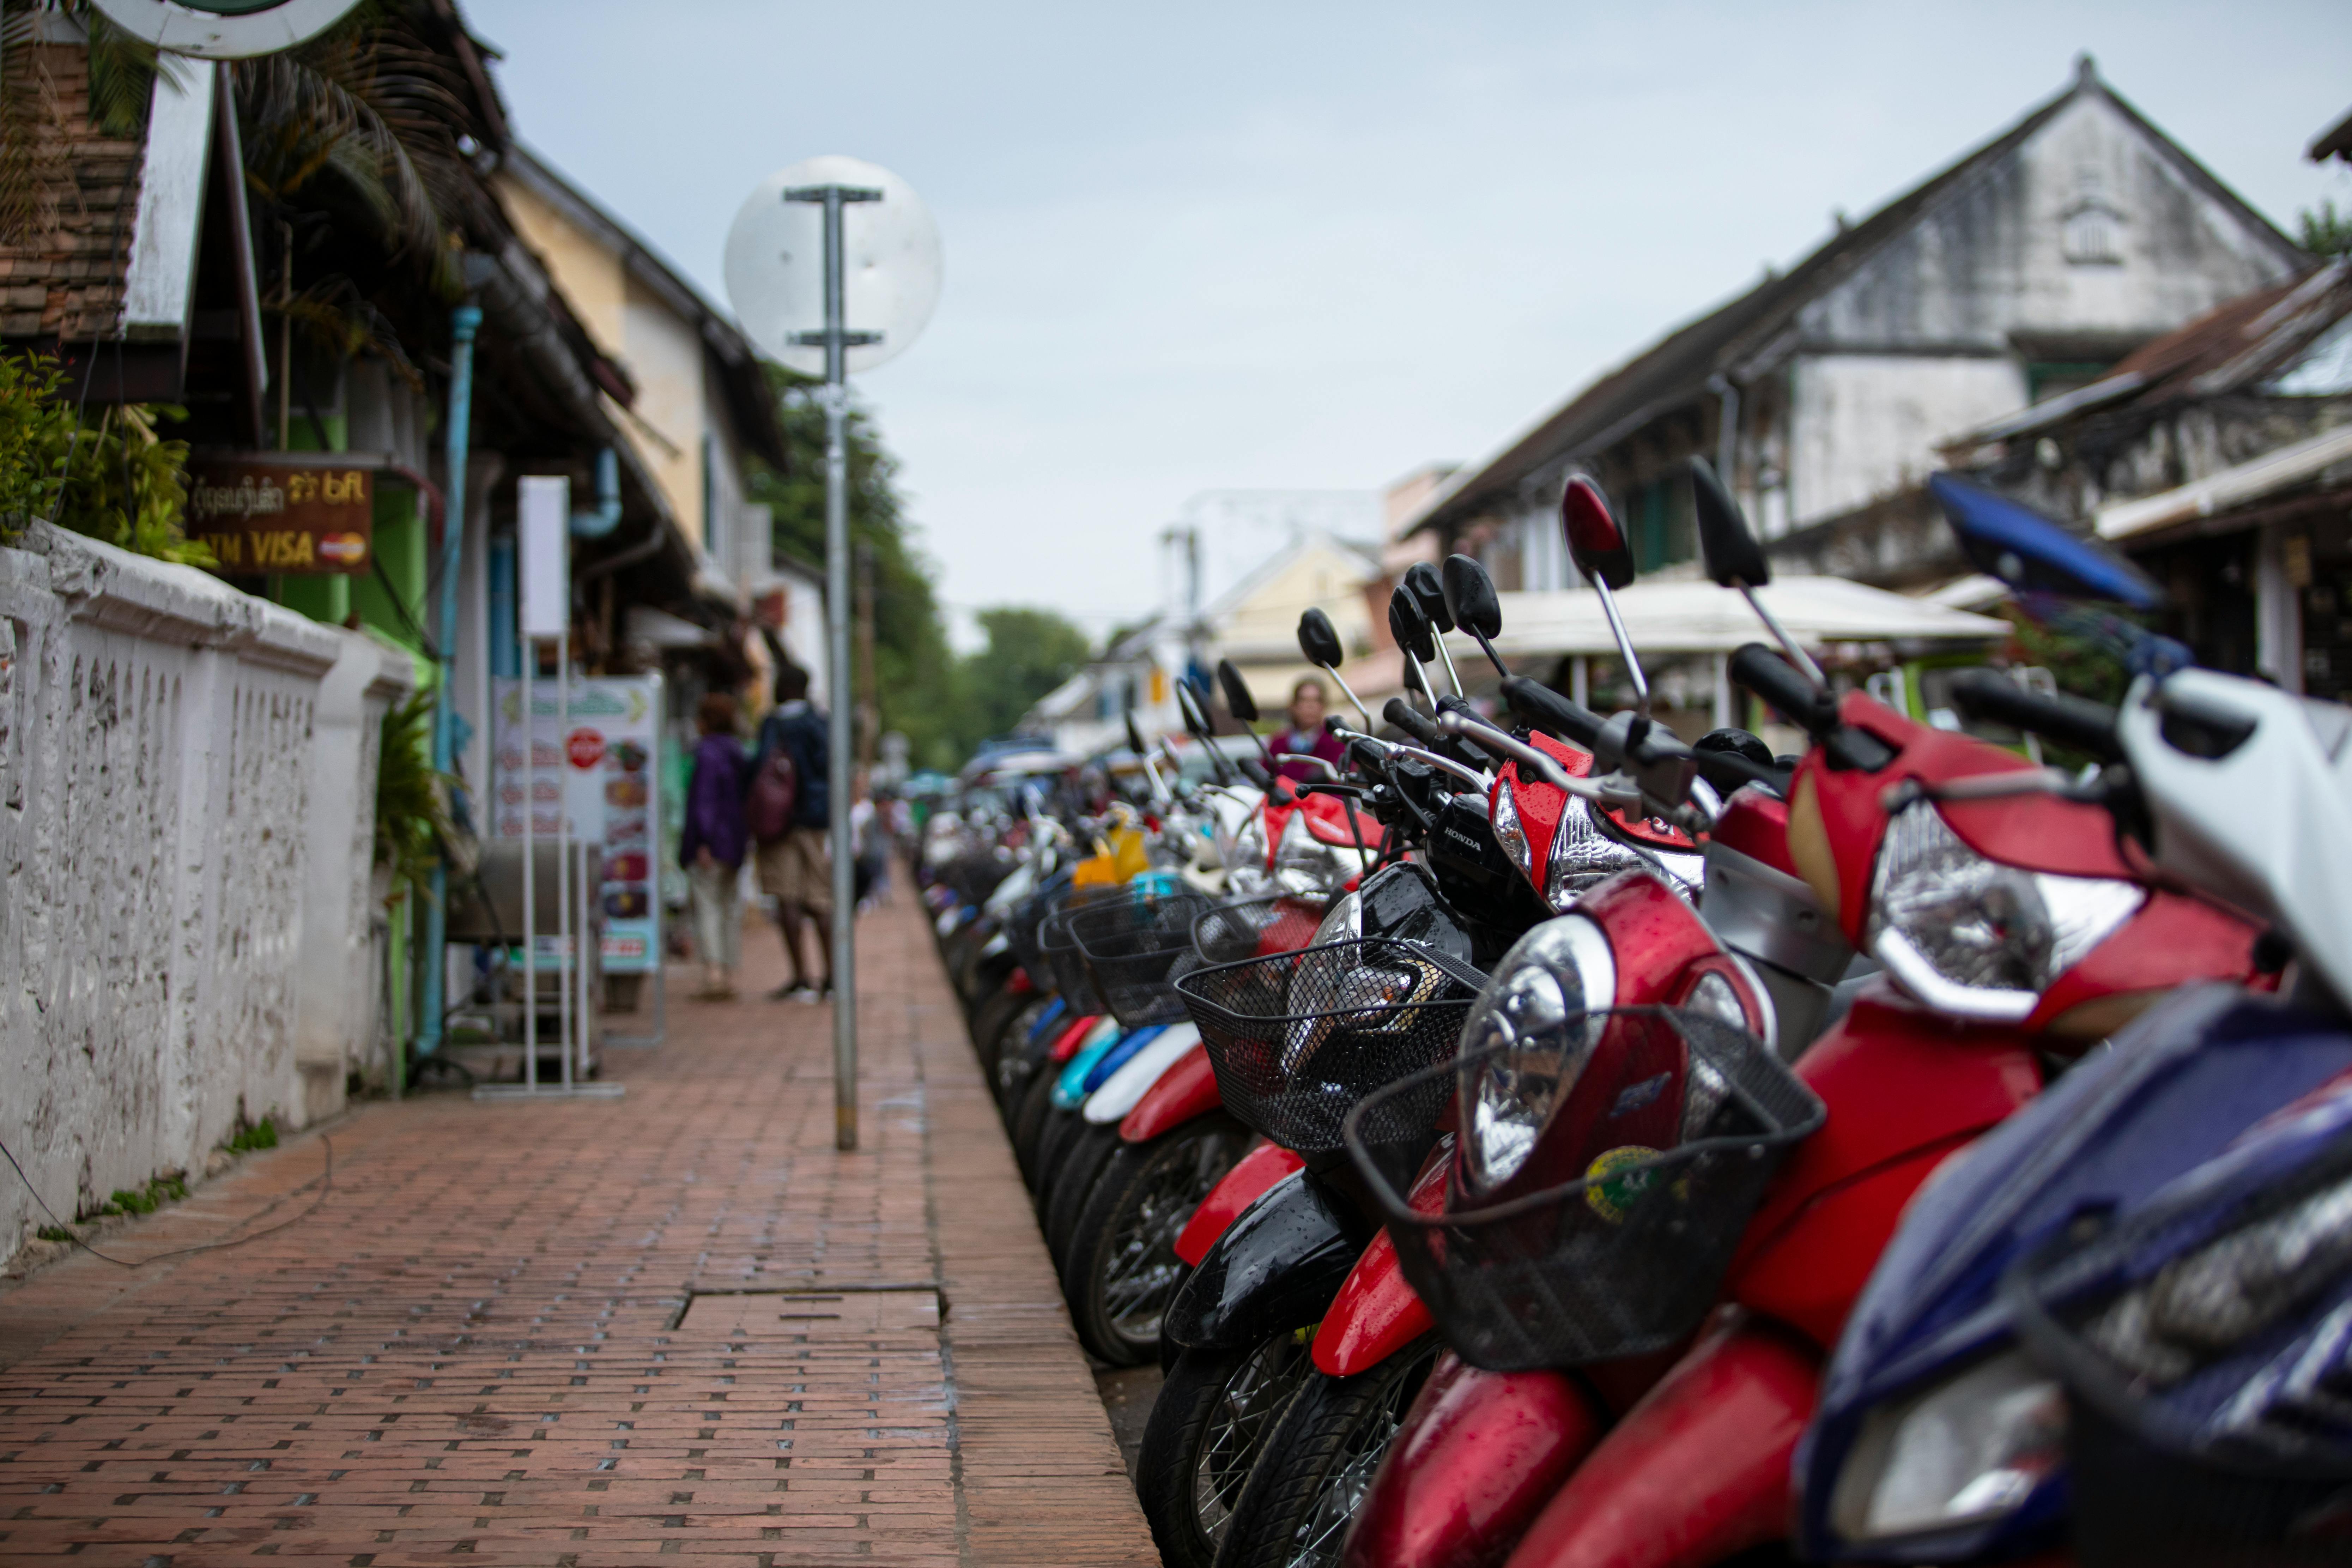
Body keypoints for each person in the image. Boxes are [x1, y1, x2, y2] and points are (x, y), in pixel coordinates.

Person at [752, 662, 833, 1001]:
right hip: (815, 820)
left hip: (779, 823)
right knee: (820, 897)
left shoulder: (774, 724)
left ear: (783, 688)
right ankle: (833, 977)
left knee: (787, 897)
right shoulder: (819, 722)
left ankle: (801, 976)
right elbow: (830, 765)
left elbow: (760, 767)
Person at [678, 691, 749, 1001]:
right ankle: (730, 971)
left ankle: (715, 973)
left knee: (708, 906)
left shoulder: (706, 754)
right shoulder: (739, 753)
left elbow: (704, 802)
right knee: (729, 907)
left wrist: (703, 841)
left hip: (712, 843)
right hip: (736, 842)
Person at [1269, 676, 1348, 784]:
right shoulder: (1278, 744)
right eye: (1304, 700)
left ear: (1323, 706)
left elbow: (1342, 785)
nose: (1310, 706)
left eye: (1316, 700)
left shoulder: (1335, 742)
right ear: (1294, 706)